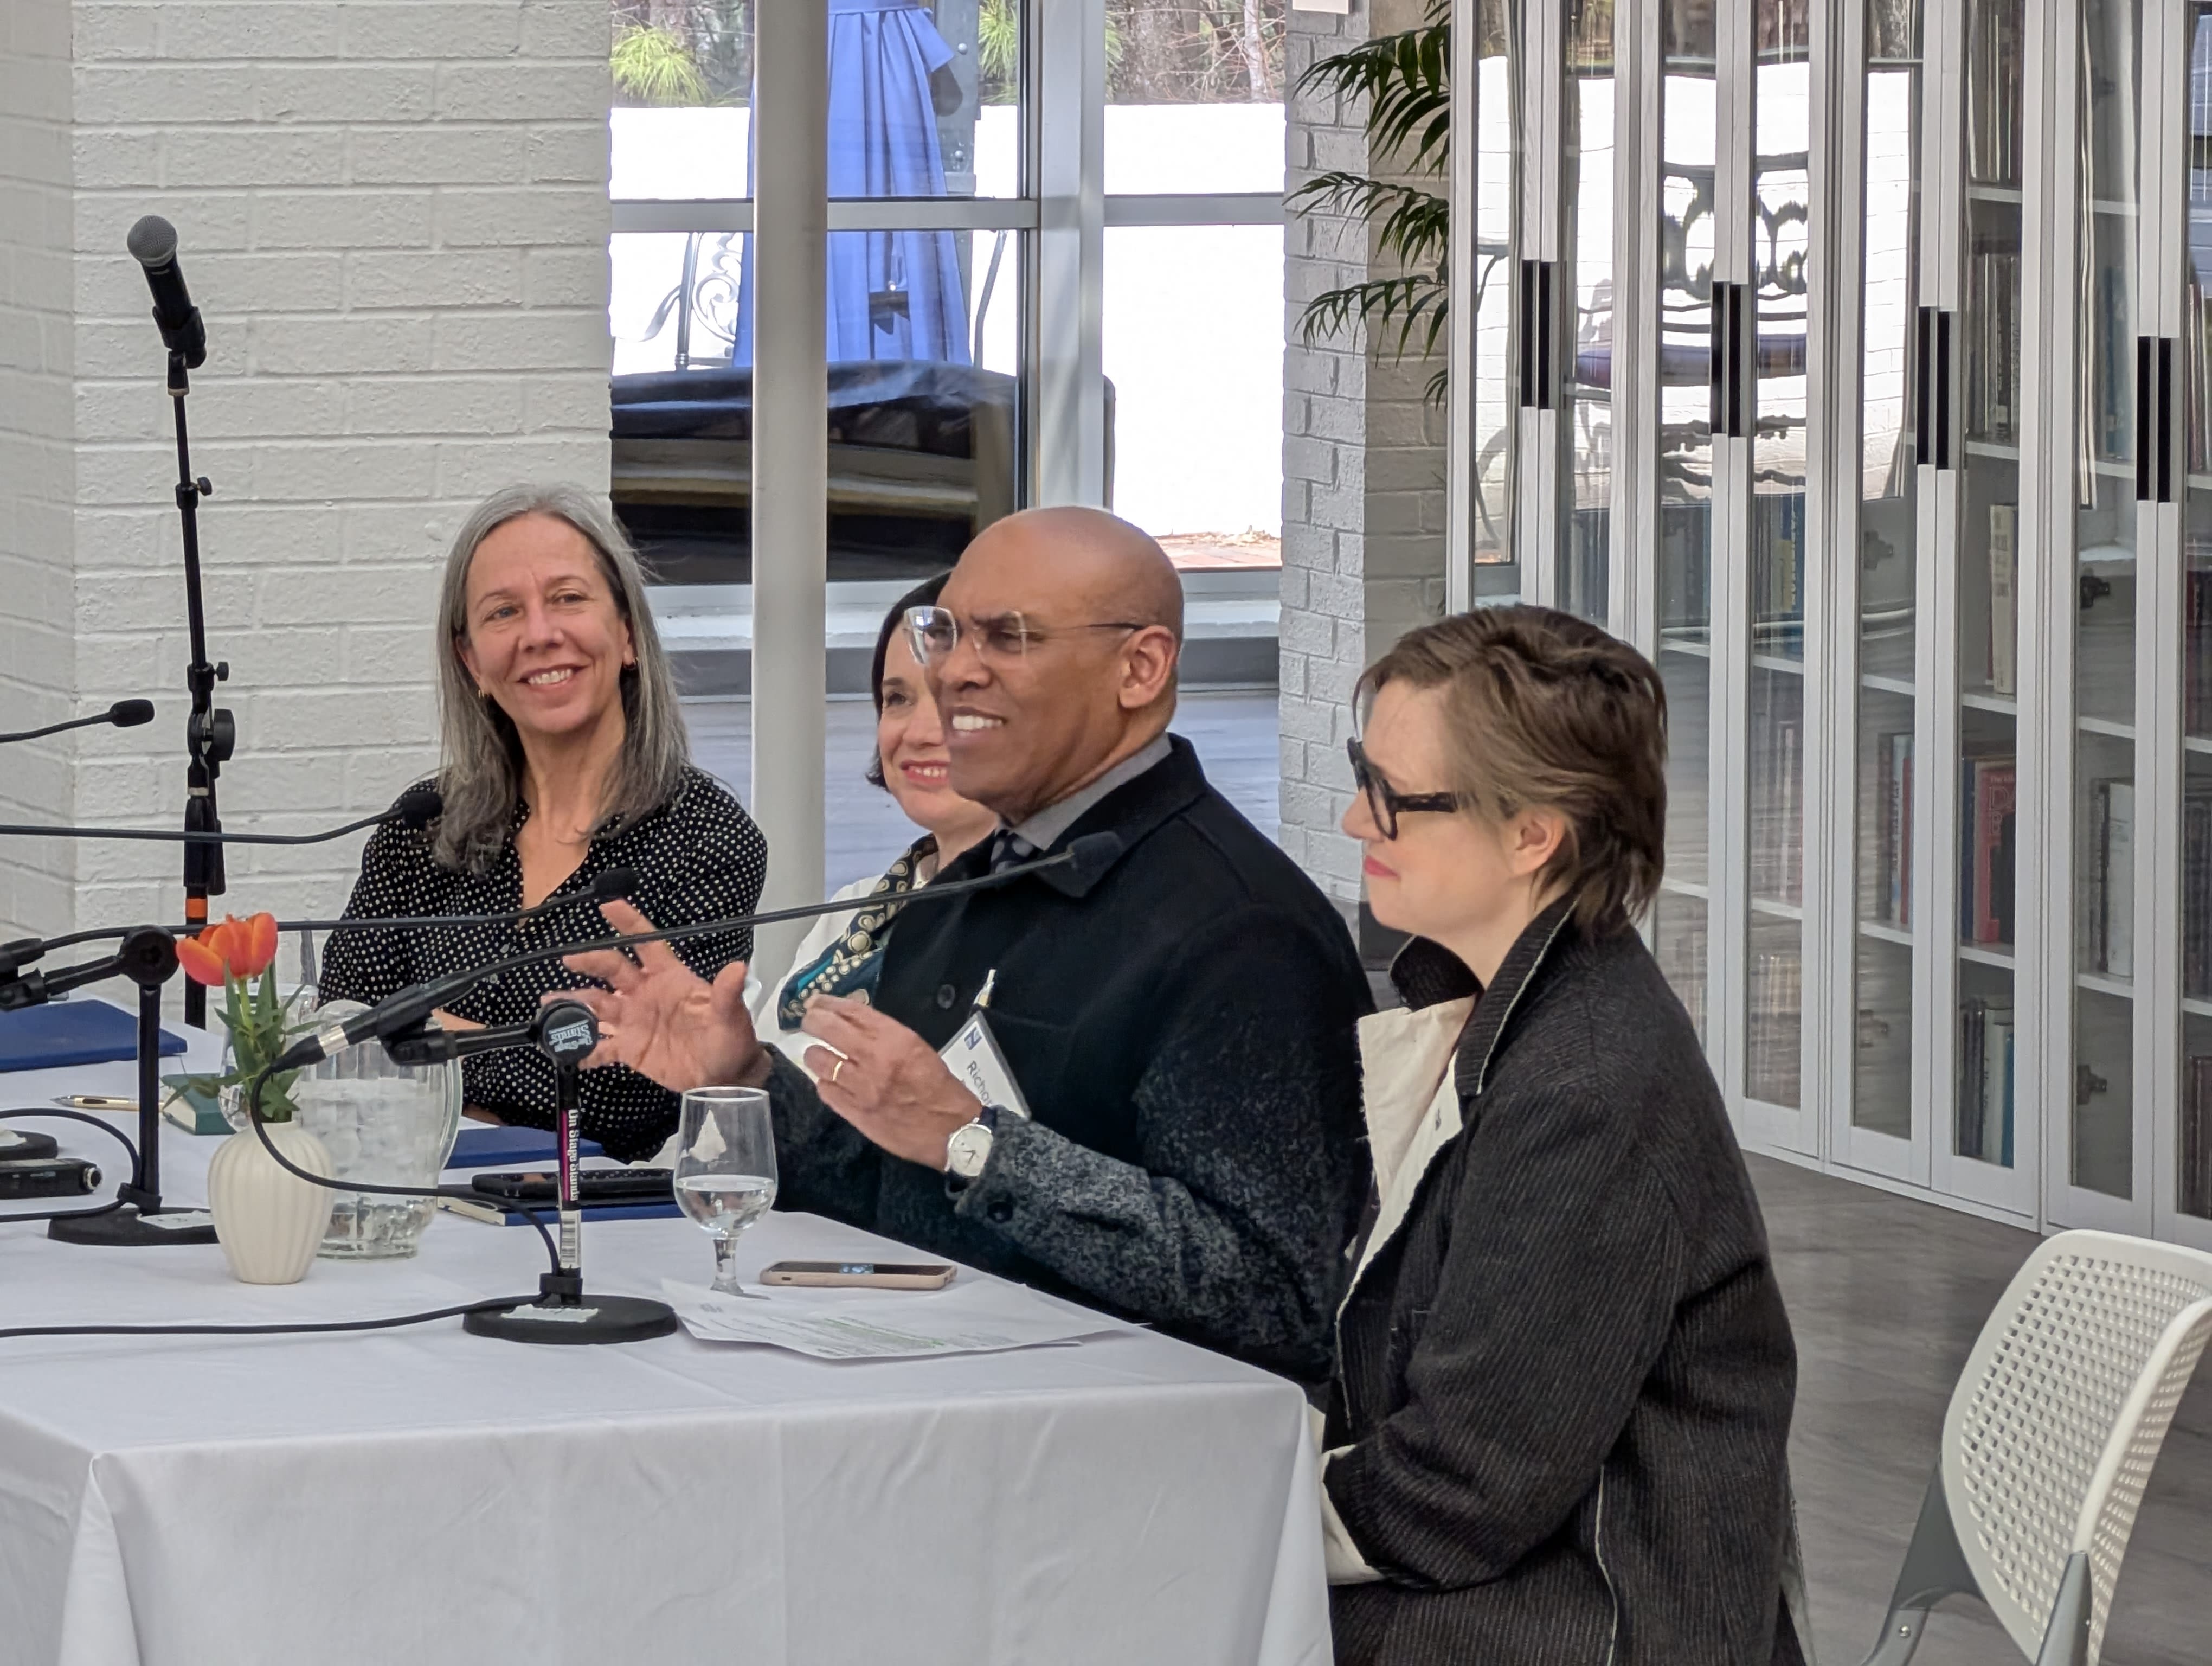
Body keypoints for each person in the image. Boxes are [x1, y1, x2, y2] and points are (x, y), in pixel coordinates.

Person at [563, 507, 1372, 1381]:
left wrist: (978, 1145)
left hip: (1130, 1458)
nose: (954, 671)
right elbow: (881, 1190)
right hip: (922, 1410)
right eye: (944, 633)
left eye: (1006, 638)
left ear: (1139, 667)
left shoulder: (1242, 934)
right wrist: (749, 1079)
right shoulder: (963, 890)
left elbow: (1274, 1293)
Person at [1315, 606, 1805, 1665]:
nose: (1359, 822)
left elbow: (1457, 1495)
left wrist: (1230, 1511)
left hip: (1576, 1623)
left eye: (1393, 798)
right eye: (1367, 775)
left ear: (1533, 833)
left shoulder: (1581, 1094)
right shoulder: (1504, 1008)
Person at [318, 484, 767, 1162]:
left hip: (599, 1215)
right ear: (471, 663)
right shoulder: (421, 826)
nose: (539, 634)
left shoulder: (707, 838)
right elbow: (342, 1031)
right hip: (404, 1185)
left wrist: (429, 1042)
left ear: (626, 634)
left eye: (568, 598)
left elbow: (628, 1093)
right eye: (504, 612)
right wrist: (522, 1047)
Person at [742, 572, 996, 1062]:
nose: (920, 732)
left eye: (959, 697)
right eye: (897, 699)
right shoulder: (850, 910)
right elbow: (754, 1114)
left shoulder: (1066, 929)